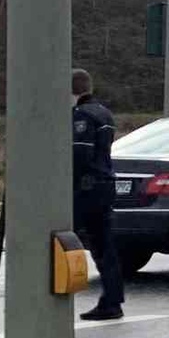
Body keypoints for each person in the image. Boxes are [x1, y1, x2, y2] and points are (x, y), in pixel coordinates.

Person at [70, 68, 125, 321]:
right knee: (104, 247)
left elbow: (79, 154)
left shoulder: (82, 115)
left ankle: (52, 291)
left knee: (56, 237)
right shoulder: (104, 112)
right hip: (104, 184)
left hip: (86, 187)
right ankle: (112, 300)